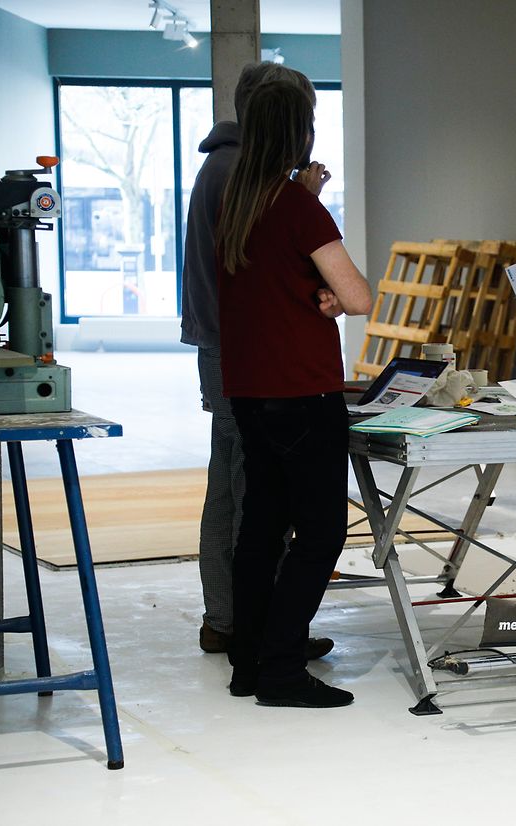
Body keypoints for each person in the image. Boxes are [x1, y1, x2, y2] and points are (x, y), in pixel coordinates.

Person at [216, 80, 373, 707]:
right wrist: (335, 297)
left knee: (261, 527)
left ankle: (249, 664)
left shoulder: (238, 201)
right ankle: (282, 669)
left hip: (249, 390)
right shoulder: (298, 207)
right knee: (320, 533)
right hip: (302, 392)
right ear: (299, 133)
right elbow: (360, 298)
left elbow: (275, 280)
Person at [180, 62, 332, 662]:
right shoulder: (240, 172)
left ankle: (237, 621)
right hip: (244, 353)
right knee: (251, 495)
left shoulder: (229, 168)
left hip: (228, 347)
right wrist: (303, 198)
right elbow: (273, 266)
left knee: (236, 484)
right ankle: (250, 626)